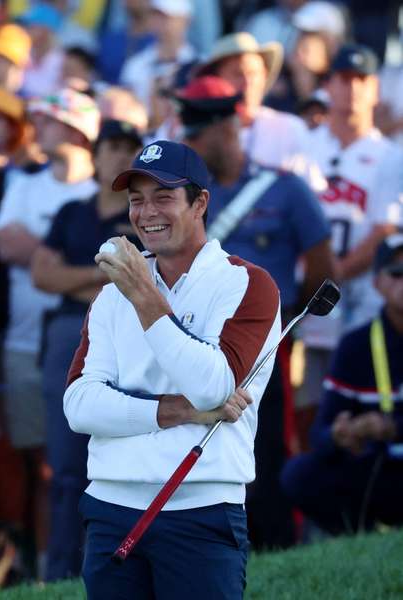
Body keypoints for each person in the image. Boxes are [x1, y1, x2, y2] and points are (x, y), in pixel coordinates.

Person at [65, 139, 281, 598]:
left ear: (200, 202)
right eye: (136, 201)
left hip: (202, 510)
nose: (146, 213)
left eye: (163, 197)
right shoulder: (110, 294)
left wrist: (145, 297)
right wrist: (179, 412)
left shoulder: (248, 284)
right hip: (110, 503)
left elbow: (211, 386)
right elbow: (80, 406)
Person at [176, 75, 334, 548]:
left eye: (200, 137)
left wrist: (288, 324)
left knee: (270, 445)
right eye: (190, 137)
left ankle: (278, 543)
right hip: (199, 342)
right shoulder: (187, 195)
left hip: (268, 345)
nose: (195, 146)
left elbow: (322, 265)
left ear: (229, 127)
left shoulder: (284, 189)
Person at [30, 119, 143, 581]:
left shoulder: (145, 218)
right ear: (94, 157)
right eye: (112, 147)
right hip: (66, 335)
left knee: (124, 463)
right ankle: (60, 575)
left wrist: (76, 276)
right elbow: (42, 276)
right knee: (66, 465)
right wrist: (104, 274)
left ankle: (121, 569)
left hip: (129, 337)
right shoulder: (71, 213)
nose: (120, 157)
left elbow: (143, 278)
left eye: (129, 149)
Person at [0, 87, 99, 580]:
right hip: (22, 341)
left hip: (82, 345)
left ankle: (67, 566)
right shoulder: (25, 181)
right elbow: (4, 242)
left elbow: (23, 248)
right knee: (34, 461)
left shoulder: (96, 196)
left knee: (66, 464)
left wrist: (51, 261)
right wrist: (66, 257)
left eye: (48, 119)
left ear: (78, 131)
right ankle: (39, 566)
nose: (38, 125)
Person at [299, 45, 403, 422]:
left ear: (375, 88)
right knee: (305, 403)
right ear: (329, 86)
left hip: (360, 296)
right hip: (306, 294)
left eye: (362, 80)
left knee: (356, 399)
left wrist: (334, 273)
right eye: (344, 79)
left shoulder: (390, 155)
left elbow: (385, 227)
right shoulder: (305, 145)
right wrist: (317, 277)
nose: (353, 89)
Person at [281, 234, 403, 535]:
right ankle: (361, 535)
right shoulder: (356, 345)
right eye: (396, 273)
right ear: (376, 282)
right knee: (300, 474)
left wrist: (391, 426)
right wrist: (342, 433)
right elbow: (320, 435)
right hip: (384, 467)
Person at [197, 32, 320, 185]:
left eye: (253, 74)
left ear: (264, 78)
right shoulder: (200, 135)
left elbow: (314, 194)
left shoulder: (291, 129)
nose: (247, 83)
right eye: (237, 74)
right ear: (215, 81)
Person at [119, 0, 196, 112]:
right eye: (156, 16)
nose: (161, 23)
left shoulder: (198, 67)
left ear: (186, 20)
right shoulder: (136, 64)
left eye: (167, 17)